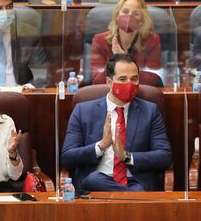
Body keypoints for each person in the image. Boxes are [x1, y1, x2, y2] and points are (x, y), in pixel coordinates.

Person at [62, 53, 172, 192]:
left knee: (137, 190)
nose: (129, 84)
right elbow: (68, 157)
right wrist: (100, 146)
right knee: (95, 179)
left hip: (135, 181)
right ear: (109, 82)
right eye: (122, 79)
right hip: (96, 182)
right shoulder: (83, 111)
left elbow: (164, 156)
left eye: (134, 79)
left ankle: (128, 196)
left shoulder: (150, 111)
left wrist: (127, 157)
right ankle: (130, 198)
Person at [91, 0, 161, 83]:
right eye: (125, 11)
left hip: (140, 93)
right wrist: (117, 60)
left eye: (135, 13)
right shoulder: (100, 40)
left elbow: (153, 80)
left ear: (142, 20)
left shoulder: (152, 41)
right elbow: (97, 81)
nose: (129, 16)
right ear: (117, 15)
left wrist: (123, 60)